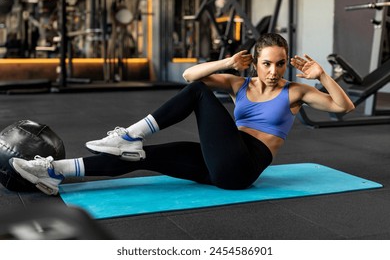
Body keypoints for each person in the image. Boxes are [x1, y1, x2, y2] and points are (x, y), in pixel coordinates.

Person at [9, 33, 355, 196]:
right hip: (221, 161)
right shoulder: (239, 83)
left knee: (200, 95)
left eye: (280, 63)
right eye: (267, 62)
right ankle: (56, 172)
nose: (274, 70)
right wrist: (227, 63)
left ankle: (129, 134)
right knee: (143, 156)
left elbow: (343, 107)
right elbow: (189, 75)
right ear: (255, 60)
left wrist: (322, 76)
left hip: (244, 165)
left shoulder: (295, 92)